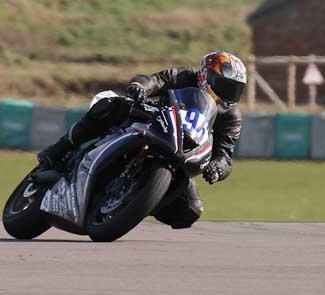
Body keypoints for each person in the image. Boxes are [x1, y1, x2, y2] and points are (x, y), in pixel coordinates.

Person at [38, 51, 246, 230]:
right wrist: (140, 87)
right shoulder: (185, 76)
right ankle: (60, 148)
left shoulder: (231, 116)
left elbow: (225, 155)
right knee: (111, 105)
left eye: (234, 90)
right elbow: (154, 80)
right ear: (205, 76)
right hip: (149, 119)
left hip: (180, 150)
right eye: (225, 86)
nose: (229, 95)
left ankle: (132, 202)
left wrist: (218, 168)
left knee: (190, 210)